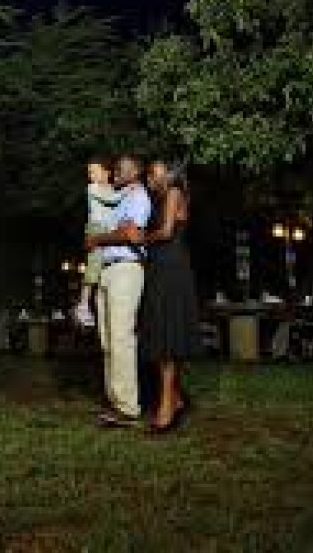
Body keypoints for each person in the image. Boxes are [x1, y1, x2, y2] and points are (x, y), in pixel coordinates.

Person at [124, 160, 197, 433]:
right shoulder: (159, 197)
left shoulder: (175, 191)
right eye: (150, 173)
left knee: (167, 338)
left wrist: (140, 238)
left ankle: (166, 408)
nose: (151, 177)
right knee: (160, 332)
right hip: (160, 267)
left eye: (156, 173)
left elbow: (166, 231)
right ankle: (176, 398)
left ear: (168, 174)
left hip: (171, 268)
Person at [85, 153, 151, 428]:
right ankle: (115, 401)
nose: (115, 173)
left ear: (136, 171)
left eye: (122, 169)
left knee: (121, 338)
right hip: (107, 269)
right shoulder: (117, 197)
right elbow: (112, 229)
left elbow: (130, 233)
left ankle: (128, 407)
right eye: (115, 169)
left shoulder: (138, 197)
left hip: (126, 267)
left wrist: (98, 238)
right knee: (107, 340)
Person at [74, 155, 122, 328]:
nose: (91, 175)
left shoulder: (113, 187)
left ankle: (91, 302)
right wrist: (126, 191)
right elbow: (112, 200)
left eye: (94, 171)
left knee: (102, 264)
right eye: (89, 172)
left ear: (106, 172)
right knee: (93, 264)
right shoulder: (93, 188)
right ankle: (83, 304)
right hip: (96, 228)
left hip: (108, 231)